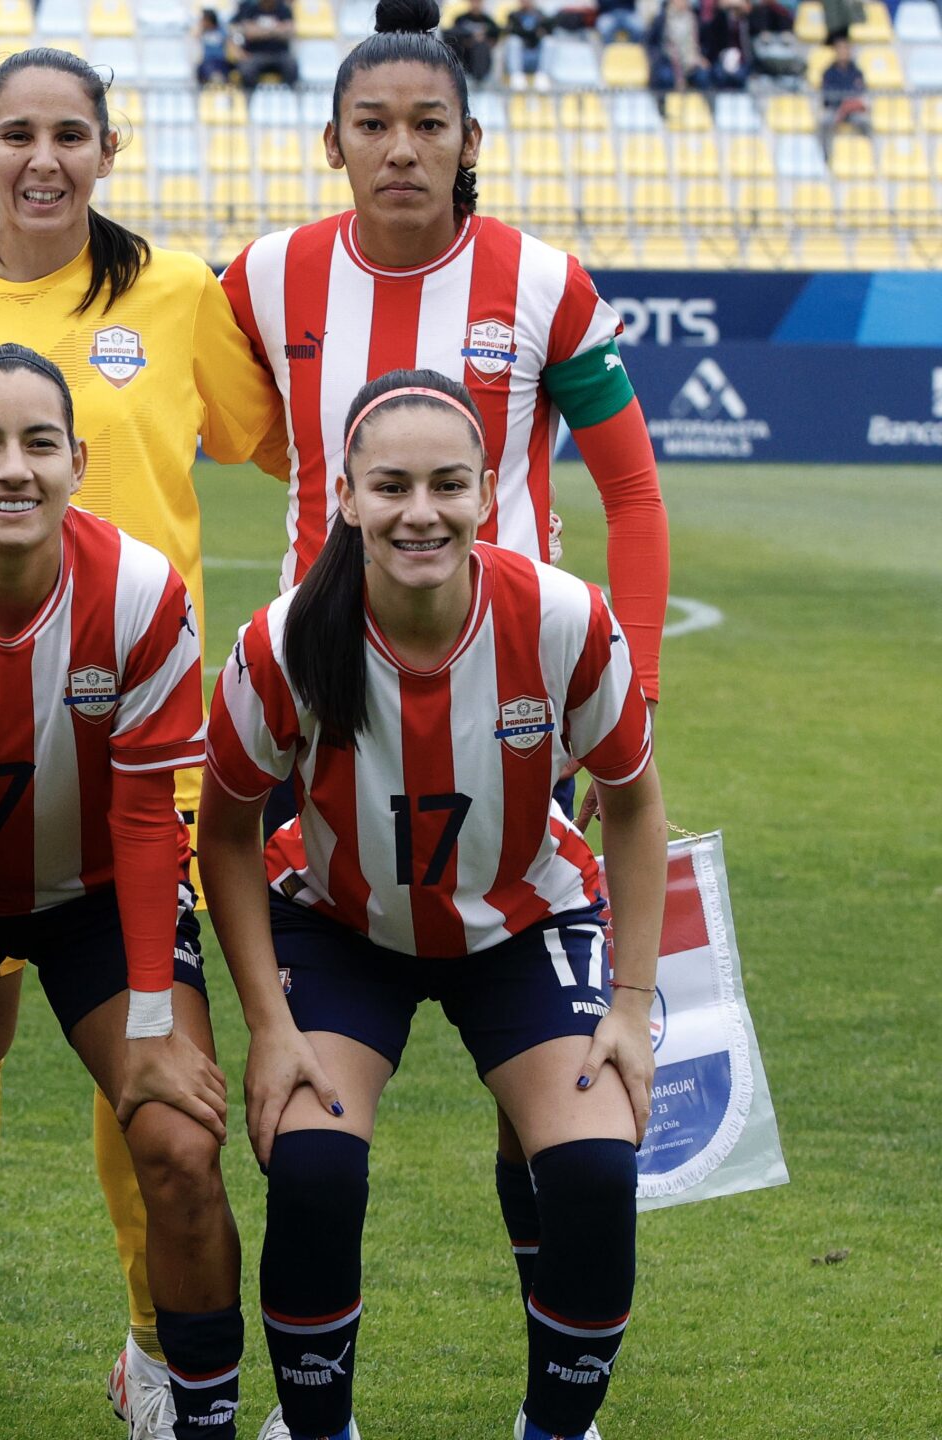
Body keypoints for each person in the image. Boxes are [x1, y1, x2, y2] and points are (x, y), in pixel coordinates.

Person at [0, 45, 288, 1439]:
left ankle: (162, 1362)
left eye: (70, 134)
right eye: (17, 134)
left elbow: (292, 448)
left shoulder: (178, 292)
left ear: (106, 149)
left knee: (149, 1096)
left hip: (143, 752)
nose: (44, 157)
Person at [218, 15, 670, 1389]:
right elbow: (168, 395)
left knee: (560, 1104)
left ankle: (541, 1145)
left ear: (472, 142)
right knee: (316, 1140)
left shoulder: (544, 282)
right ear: (335, 143)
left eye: (431, 124)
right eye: (375, 123)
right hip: (329, 704)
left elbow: (633, 493)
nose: (402, 147)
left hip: (522, 686)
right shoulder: (262, 280)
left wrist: (626, 691)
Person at [202, 368, 664, 1440]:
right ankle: (316, 1428)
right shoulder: (281, 643)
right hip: (339, 925)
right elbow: (221, 833)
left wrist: (631, 1008)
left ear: (485, 489)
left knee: (595, 1166)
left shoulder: (560, 619)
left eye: (449, 484)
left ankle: (553, 1427)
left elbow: (635, 809)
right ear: (348, 499)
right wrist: (268, 1028)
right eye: (393, 486)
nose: (422, 511)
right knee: (310, 1162)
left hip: (525, 921)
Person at [819, 35, 872, 158]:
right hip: (835, 109)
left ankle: (868, 158)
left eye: (846, 49)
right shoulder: (829, 72)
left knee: (865, 122)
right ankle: (826, 158)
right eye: (840, 49)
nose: (843, 52)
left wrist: (848, 103)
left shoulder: (856, 72)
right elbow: (828, 95)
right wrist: (843, 102)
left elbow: (860, 91)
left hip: (852, 111)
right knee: (825, 122)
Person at [234, 0, 299, 88]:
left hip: (279, 53)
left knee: (292, 65)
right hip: (256, 53)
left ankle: (293, 98)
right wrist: (276, 29)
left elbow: (289, 32)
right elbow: (249, 33)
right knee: (246, 69)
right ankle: (247, 98)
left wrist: (261, 30)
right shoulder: (251, 9)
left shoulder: (284, 9)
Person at [503, 0, 551, 88]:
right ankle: (516, 75)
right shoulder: (513, 15)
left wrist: (528, 33)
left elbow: (547, 30)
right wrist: (533, 33)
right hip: (520, 55)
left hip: (535, 55)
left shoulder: (541, 15)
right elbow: (512, 31)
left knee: (548, 41)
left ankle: (543, 75)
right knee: (513, 41)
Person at [195, 9, 233, 84]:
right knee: (203, 68)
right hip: (208, 61)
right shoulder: (203, 31)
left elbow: (230, 44)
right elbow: (195, 35)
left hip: (220, 60)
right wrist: (201, 26)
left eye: (204, 19)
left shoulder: (221, 30)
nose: (202, 21)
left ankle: (218, 80)